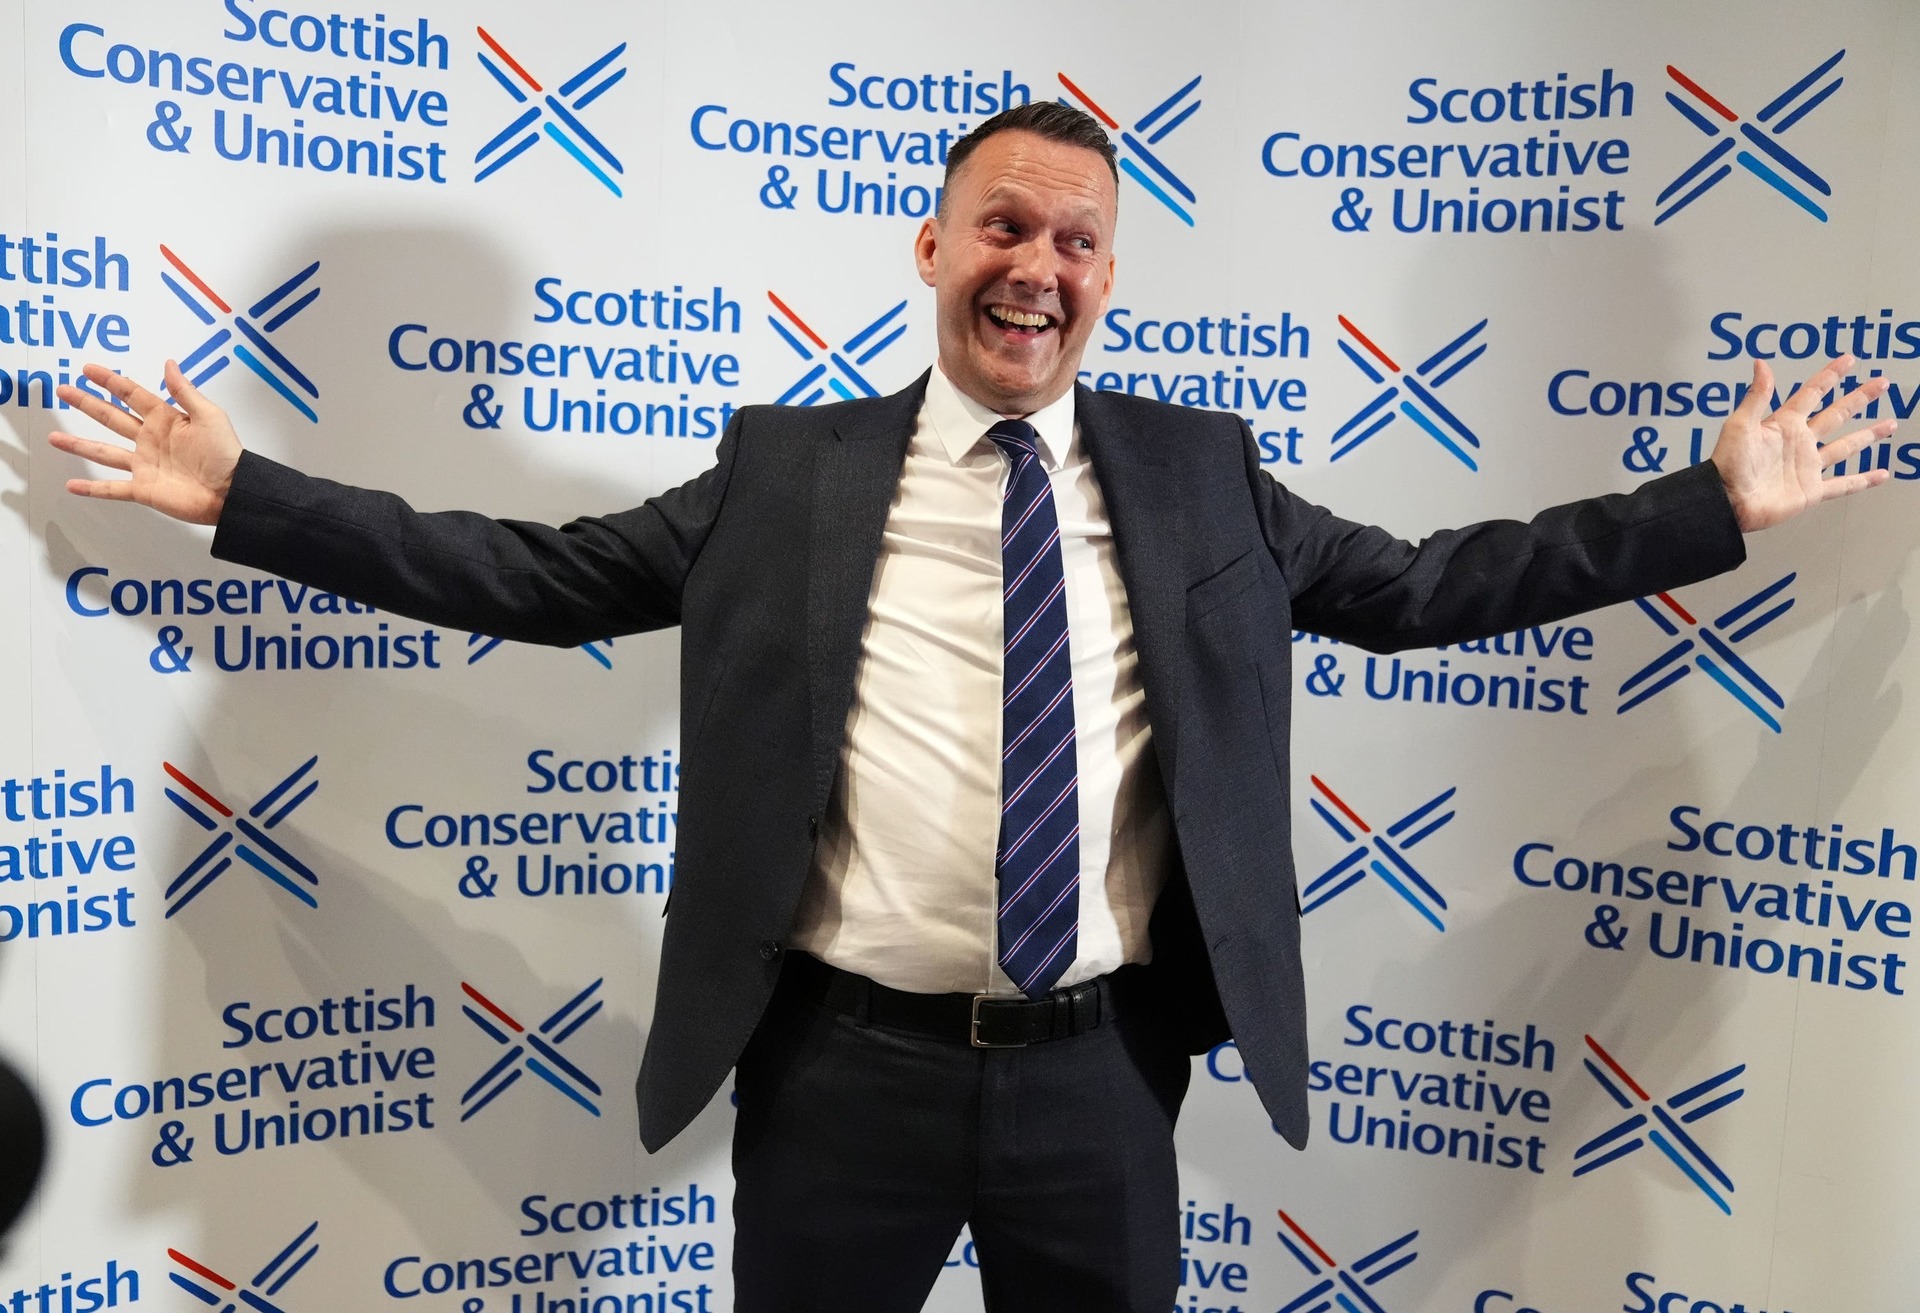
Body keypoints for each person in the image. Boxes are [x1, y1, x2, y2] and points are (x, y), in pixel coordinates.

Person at [49, 102, 1891, 1312]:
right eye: (1006, 227)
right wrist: (246, 497)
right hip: (838, 1073)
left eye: (1082, 243)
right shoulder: (789, 471)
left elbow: (1423, 592)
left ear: (1109, 279)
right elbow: (535, 582)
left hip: (1102, 1079)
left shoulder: (1201, 474)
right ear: (931, 250)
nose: (1042, 268)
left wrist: (1707, 507)